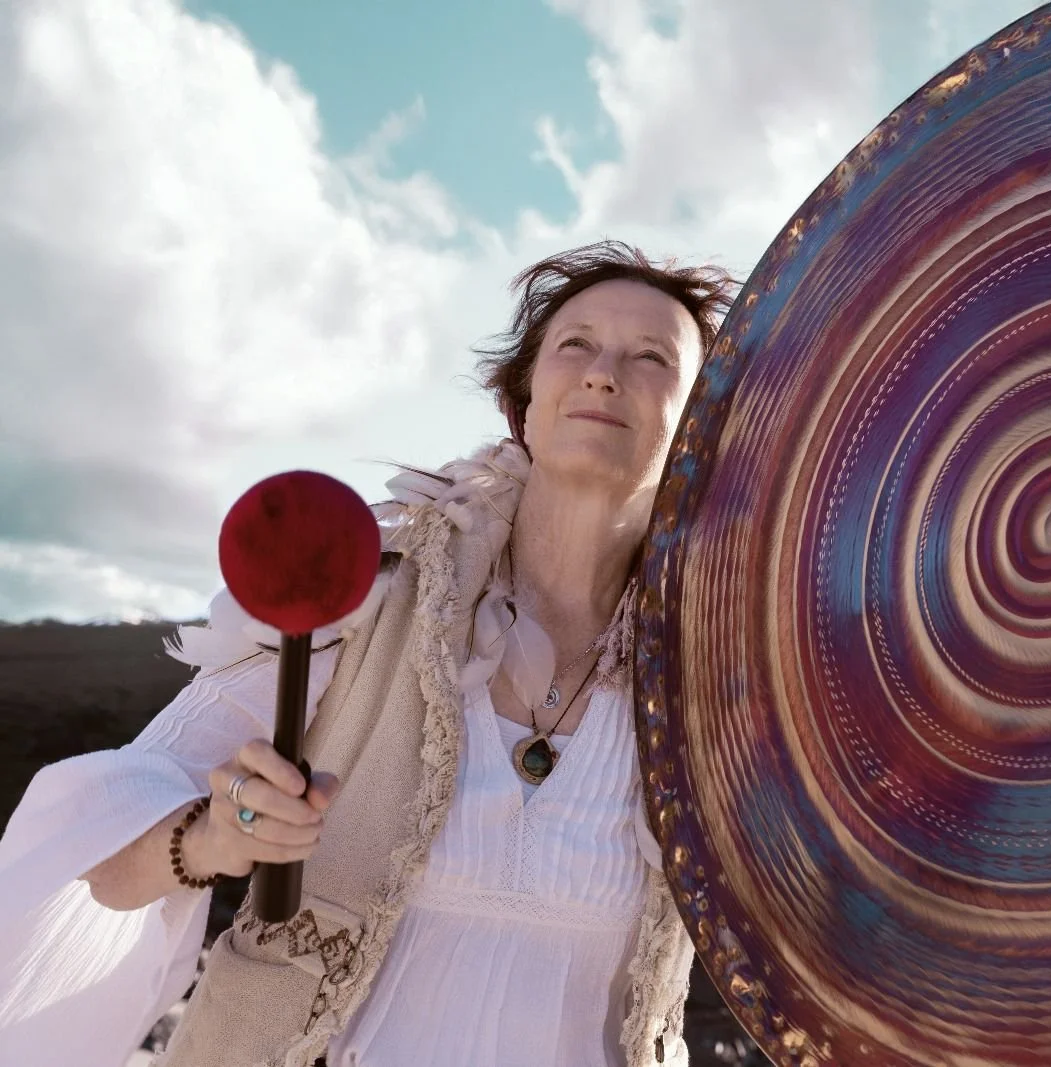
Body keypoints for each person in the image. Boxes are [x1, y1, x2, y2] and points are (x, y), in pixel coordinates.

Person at [0, 241, 739, 1067]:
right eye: (577, 344)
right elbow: (104, 861)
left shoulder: (718, 674)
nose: (605, 372)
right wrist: (217, 836)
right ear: (523, 400)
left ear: (698, 423)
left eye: (651, 358)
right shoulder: (359, 592)